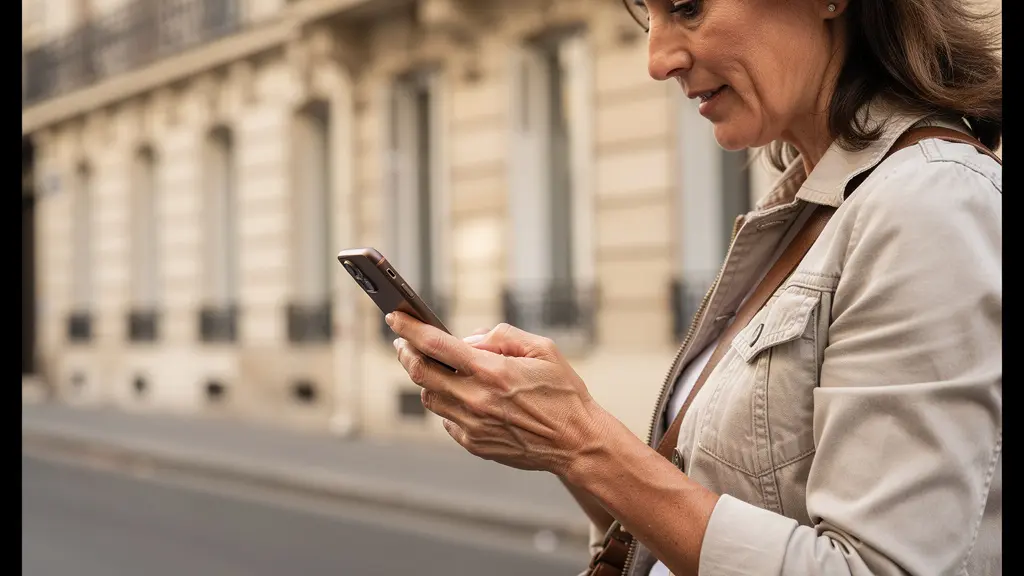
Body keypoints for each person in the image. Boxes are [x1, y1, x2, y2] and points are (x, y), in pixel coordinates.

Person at [384, 0, 1003, 574]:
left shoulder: (928, 204)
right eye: (646, 10)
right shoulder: (813, 206)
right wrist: (552, 432)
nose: (658, 59)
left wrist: (581, 442)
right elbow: (717, 513)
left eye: (687, 6)